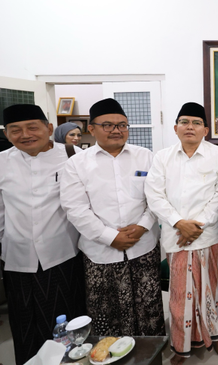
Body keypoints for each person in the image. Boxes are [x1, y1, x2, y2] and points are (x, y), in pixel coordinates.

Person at [60, 98, 164, 337]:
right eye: (108, 125)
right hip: (100, 252)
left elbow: (157, 197)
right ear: (91, 128)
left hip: (143, 247)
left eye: (122, 125)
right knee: (107, 315)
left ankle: (151, 355)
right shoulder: (77, 164)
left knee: (149, 309)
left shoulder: (145, 157)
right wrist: (110, 237)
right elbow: (75, 208)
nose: (117, 130)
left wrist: (142, 226)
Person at [145, 102, 218, 364]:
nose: (190, 127)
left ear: (205, 129)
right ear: (175, 128)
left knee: (213, 291)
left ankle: (215, 337)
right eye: (184, 122)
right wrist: (178, 222)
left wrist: (197, 226)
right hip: (176, 235)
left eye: (196, 123)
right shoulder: (162, 157)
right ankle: (181, 345)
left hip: (208, 236)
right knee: (180, 294)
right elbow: (154, 194)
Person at [0, 104, 86, 365]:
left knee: (66, 327)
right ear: (6, 134)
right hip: (17, 259)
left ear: (49, 128)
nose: (25, 134)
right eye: (15, 130)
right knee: (24, 326)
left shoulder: (74, 156)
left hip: (63, 255)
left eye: (32, 127)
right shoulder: (2, 161)